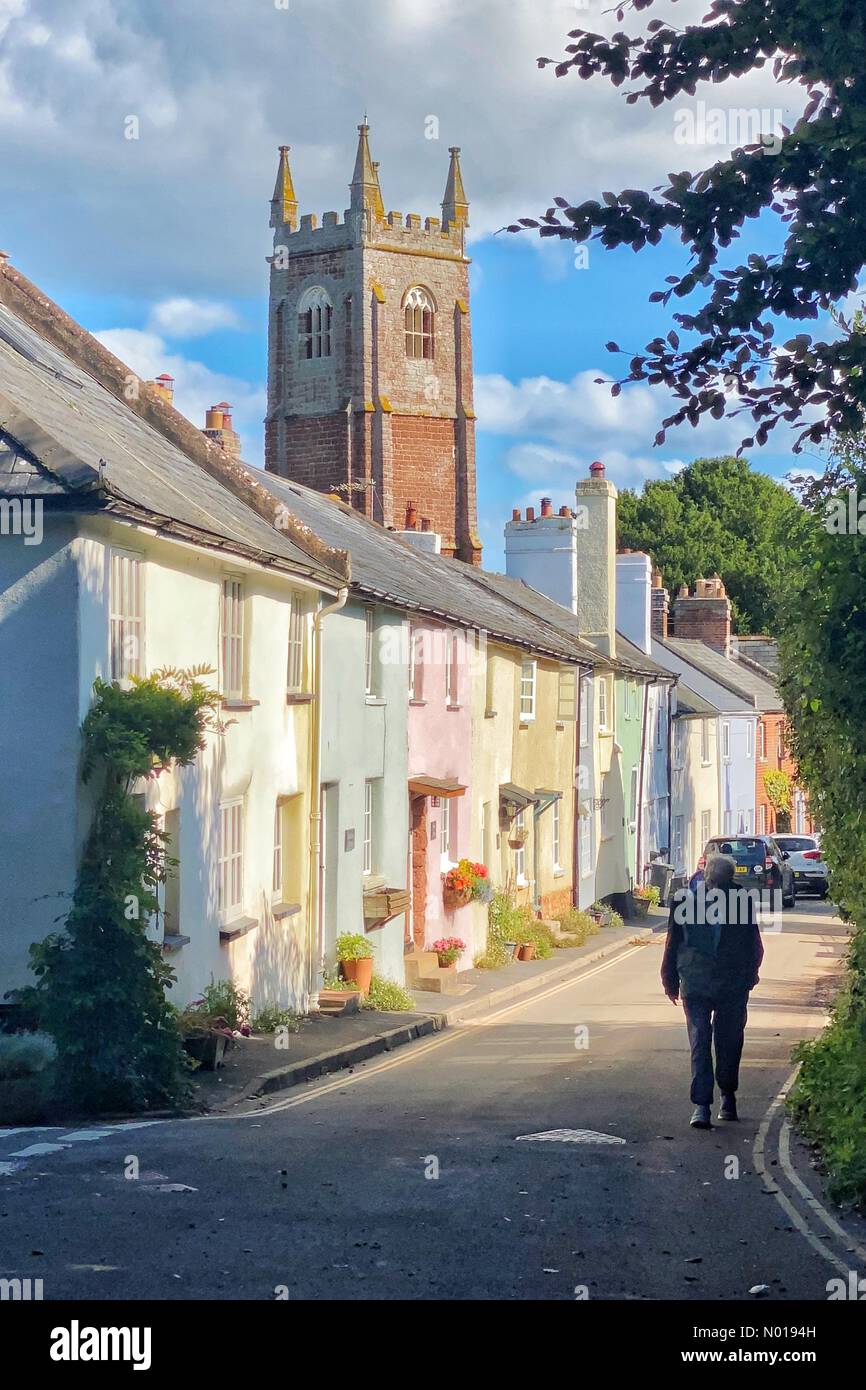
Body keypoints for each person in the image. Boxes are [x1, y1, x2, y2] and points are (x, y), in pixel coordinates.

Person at [661, 854, 764, 1129]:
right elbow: (674, 940)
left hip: (731, 983)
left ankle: (726, 1096)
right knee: (702, 1039)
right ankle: (703, 1105)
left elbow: (752, 941)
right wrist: (669, 979)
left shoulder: (741, 901)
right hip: (697, 982)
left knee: (726, 1041)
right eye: (715, 882)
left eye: (721, 882)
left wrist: (750, 974)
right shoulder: (684, 900)